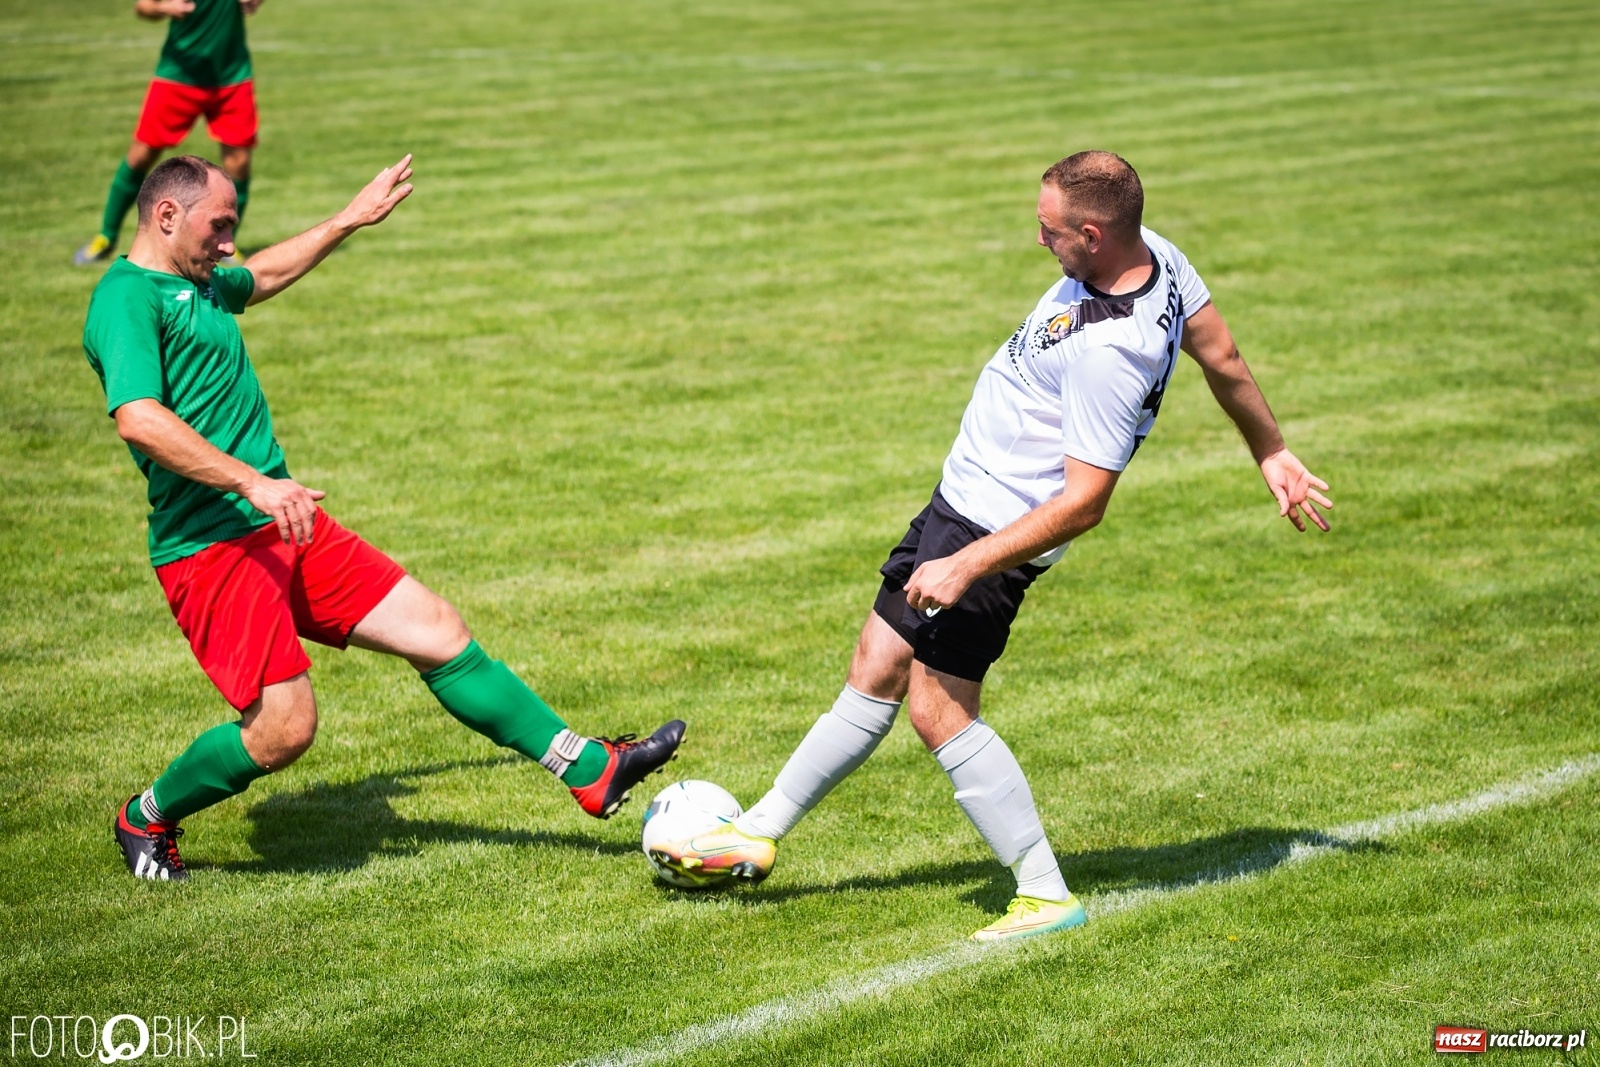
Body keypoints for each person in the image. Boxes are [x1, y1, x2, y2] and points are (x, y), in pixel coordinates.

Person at [655, 151, 1332, 941]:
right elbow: (1222, 355)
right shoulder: (1160, 256)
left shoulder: (1111, 352)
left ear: (1092, 232)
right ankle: (759, 829)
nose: (1038, 240)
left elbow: (1085, 504)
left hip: (991, 531)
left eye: (1049, 231)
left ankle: (1045, 892)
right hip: (961, 504)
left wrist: (969, 561)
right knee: (876, 663)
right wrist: (1271, 450)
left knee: (940, 710)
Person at [84, 153, 685, 882]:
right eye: (220, 227)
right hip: (212, 547)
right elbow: (140, 418)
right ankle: (145, 815)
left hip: (284, 522)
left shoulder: (200, 282)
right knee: (284, 731)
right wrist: (253, 483)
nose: (229, 245)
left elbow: (263, 276)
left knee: (437, 629)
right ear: (167, 215)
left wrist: (347, 219)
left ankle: (589, 769)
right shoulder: (125, 299)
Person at [75, 0, 266, 267]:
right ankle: (106, 236)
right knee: (141, 155)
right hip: (178, 75)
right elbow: (143, 7)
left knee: (240, 164)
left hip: (231, 76)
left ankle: (225, 246)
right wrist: (166, 7)